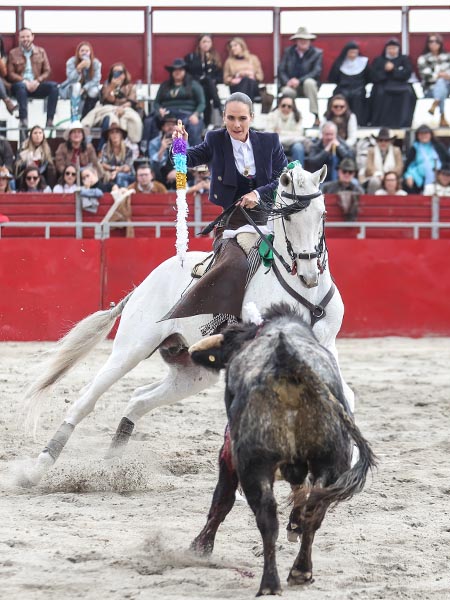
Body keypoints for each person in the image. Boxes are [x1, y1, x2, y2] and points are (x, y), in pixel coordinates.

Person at [164, 91, 287, 330]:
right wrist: (179, 144)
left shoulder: (270, 141)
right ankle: (223, 318)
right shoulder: (215, 140)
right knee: (235, 264)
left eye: (242, 118)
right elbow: (185, 160)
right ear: (223, 118)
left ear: (251, 117)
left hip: (270, 221)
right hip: (233, 223)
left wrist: (258, 194)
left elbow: (284, 177)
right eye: (231, 118)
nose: (236, 124)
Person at [146, 58, 206, 147]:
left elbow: (202, 103)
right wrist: (159, 110)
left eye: (180, 69)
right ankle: (148, 151)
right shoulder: (164, 85)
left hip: (187, 114)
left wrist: (196, 115)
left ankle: (195, 154)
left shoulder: (194, 85)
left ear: (185, 71)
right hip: (167, 114)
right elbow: (156, 102)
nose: (177, 72)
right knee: (149, 121)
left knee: (194, 125)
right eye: (174, 70)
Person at [7, 27, 59, 129]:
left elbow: (47, 70)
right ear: (19, 39)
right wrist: (24, 81)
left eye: (27, 36)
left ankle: (50, 120)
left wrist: (37, 81)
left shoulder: (41, 51)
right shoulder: (13, 53)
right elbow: (10, 73)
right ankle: (23, 120)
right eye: (22, 37)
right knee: (20, 87)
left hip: (36, 84)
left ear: (32, 37)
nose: (25, 39)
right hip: (21, 86)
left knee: (54, 87)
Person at [82, 62, 143, 143]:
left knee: (134, 119)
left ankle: (132, 141)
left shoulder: (130, 86)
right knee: (101, 115)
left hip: (125, 108)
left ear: (124, 74)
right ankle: (84, 129)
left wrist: (122, 108)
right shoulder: (107, 86)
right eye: (115, 72)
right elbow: (107, 100)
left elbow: (131, 102)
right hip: (109, 109)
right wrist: (112, 87)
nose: (117, 74)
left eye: (120, 72)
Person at [278, 27, 323, 127]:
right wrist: (288, 82)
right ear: (296, 41)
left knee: (309, 83)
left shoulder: (317, 53)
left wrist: (299, 81)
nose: (304, 41)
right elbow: (281, 70)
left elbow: (316, 71)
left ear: (310, 41)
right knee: (286, 91)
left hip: (308, 86)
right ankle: (291, 118)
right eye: (301, 39)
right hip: (291, 86)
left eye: (306, 39)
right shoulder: (288, 52)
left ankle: (316, 116)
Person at [368, 38, 416, 128]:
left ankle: (403, 123)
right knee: (379, 93)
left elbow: (407, 74)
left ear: (398, 49)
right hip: (383, 84)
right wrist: (385, 71)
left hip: (400, 85)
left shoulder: (404, 59)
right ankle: (379, 123)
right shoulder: (379, 60)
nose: (392, 51)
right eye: (390, 48)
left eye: (394, 48)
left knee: (408, 93)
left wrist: (393, 70)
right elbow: (373, 76)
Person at [328, 41, 370, 126]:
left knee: (358, 96)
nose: (353, 54)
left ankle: (359, 123)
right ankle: (341, 122)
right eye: (351, 52)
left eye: (355, 52)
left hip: (359, 87)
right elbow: (333, 78)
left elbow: (369, 77)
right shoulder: (340, 62)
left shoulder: (363, 62)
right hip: (343, 88)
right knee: (341, 97)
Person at [184, 34, 223, 128]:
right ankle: (218, 106)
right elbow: (187, 74)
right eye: (204, 41)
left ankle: (207, 124)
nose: (206, 44)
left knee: (208, 87)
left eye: (208, 42)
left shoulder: (215, 58)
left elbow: (220, 76)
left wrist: (213, 80)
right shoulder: (191, 57)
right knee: (208, 86)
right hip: (196, 84)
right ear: (199, 43)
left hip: (209, 87)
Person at [58, 41, 102, 121]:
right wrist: (78, 68)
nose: (84, 53)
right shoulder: (71, 62)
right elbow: (71, 78)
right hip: (73, 87)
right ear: (78, 53)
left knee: (94, 92)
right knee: (77, 86)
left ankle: (86, 116)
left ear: (90, 52)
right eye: (82, 51)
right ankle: (74, 114)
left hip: (89, 87)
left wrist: (85, 88)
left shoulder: (96, 63)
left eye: (87, 51)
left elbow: (97, 79)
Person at [403, 124, 448, 194]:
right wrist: (408, 175)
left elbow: (447, 161)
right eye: (421, 134)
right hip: (419, 179)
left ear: (431, 134)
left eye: (426, 133)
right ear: (417, 136)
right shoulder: (414, 148)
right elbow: (408, 165)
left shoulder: (438, 146)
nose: (424, 136)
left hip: (440, 178)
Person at [417, 34, 450, 128]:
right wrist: (440, 76)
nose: (433, 44)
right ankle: (442, 115)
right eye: (431, 41)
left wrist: (443, 76)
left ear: (440, 43)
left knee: (442, 85)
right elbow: (426, 77)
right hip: (430, 89)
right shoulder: (423, 58)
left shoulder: (448, 56)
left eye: (436, 41)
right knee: (441, 84)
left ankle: (436, 103)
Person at [266, 95, 306, 164]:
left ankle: (299, 173)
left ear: (293, 108)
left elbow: (299, 134)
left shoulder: (297, 116)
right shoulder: (272, 115)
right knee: (271, 147)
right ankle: (273, 174)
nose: (286, 108)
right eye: (283, 105)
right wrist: (291, 135)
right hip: (278, 144)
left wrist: (280, 132)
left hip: (293, 144)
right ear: (279, 105)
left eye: (289, 106)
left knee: (298, 147)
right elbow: (268, 134)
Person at [362, 127, 404, 194]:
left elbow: (399, 167)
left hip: (392, 177)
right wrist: (379, 175)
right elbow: (369, 167)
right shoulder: (371, 151)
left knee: (394, 181)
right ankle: (372, 201)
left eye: (386, 140)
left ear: (390, 141)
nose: (383, 143)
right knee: (374, 181)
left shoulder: (396, 150)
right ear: (377, 141)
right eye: (381, 140)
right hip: (376, 177)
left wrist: (388, 176)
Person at [223, 37, 264, 103]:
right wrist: (238, 75)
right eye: (231, 46)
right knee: (244, 80)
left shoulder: (253, 59)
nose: (233, 48)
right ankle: (248, 106)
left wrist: (251, 74)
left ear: (242, 46)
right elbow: (226, 79)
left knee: (247, 80)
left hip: (252, 85)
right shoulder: (229, 61)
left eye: (235, 45)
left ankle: (243, 104)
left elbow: (260, 76)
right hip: (236, 86)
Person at [99, 121, 135, 188]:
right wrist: (114, 168)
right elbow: (103, 164)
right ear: (109, 136)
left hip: (128, 176)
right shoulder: (105, 148)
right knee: (104, 177)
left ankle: (123, 196)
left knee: (120, 176)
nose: (114, 135)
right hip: (110, 174)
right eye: (112, 133)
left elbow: (127, 167)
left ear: (121, 135)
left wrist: (116, 172)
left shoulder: (128, 149)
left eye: (117, 132)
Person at [148, 115, 178, 189]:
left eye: (173, 125)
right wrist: (162, 149)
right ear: (163, 127)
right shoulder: (154, 142)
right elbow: (153, 164)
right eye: (168, 125)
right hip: (161, 174)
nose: (170, 127)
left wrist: (177, 172)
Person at [0, 35, 17, 114]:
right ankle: (8, 102)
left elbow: (4, 73)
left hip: (2, 85)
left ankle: (7, 101)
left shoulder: (4, 57)